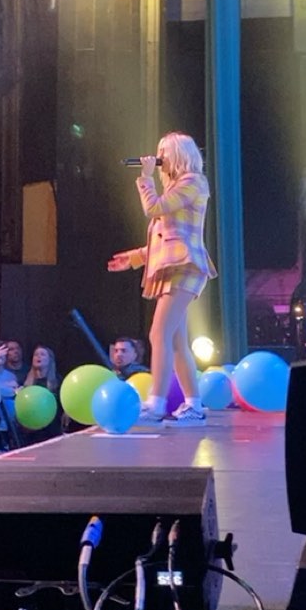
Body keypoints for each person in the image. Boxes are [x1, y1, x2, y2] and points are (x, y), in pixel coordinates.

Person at [108, 132, 216, 425]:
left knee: (159, 333)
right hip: (173, 265)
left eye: (164, 152)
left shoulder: (193, 182)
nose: (159, 158)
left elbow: (152, 208)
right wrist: (134, 257)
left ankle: (156, 403)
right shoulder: (176, 189)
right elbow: (166, 239)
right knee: (177, 340)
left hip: (186, 266)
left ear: (179, 154)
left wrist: (145, 178)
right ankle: (193, 405)